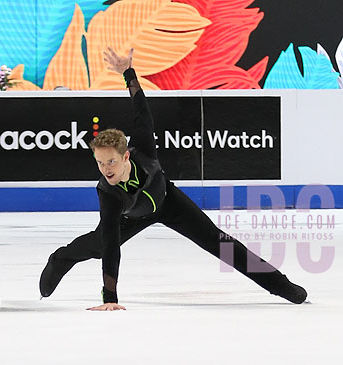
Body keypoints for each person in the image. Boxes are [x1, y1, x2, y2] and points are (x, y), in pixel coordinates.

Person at [39, 47, 308, 311]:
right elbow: (111, 245)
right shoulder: (108, 193)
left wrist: (128, 73)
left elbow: (141, 110)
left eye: (110, 161)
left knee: (220, 243)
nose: (105, 169)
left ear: (125, 157)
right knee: (98, 246)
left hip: (168, 201)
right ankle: (61, 258)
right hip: (130, 217)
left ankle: (281, 286)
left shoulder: (142, 148)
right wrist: (110, 296)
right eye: (99, 162)